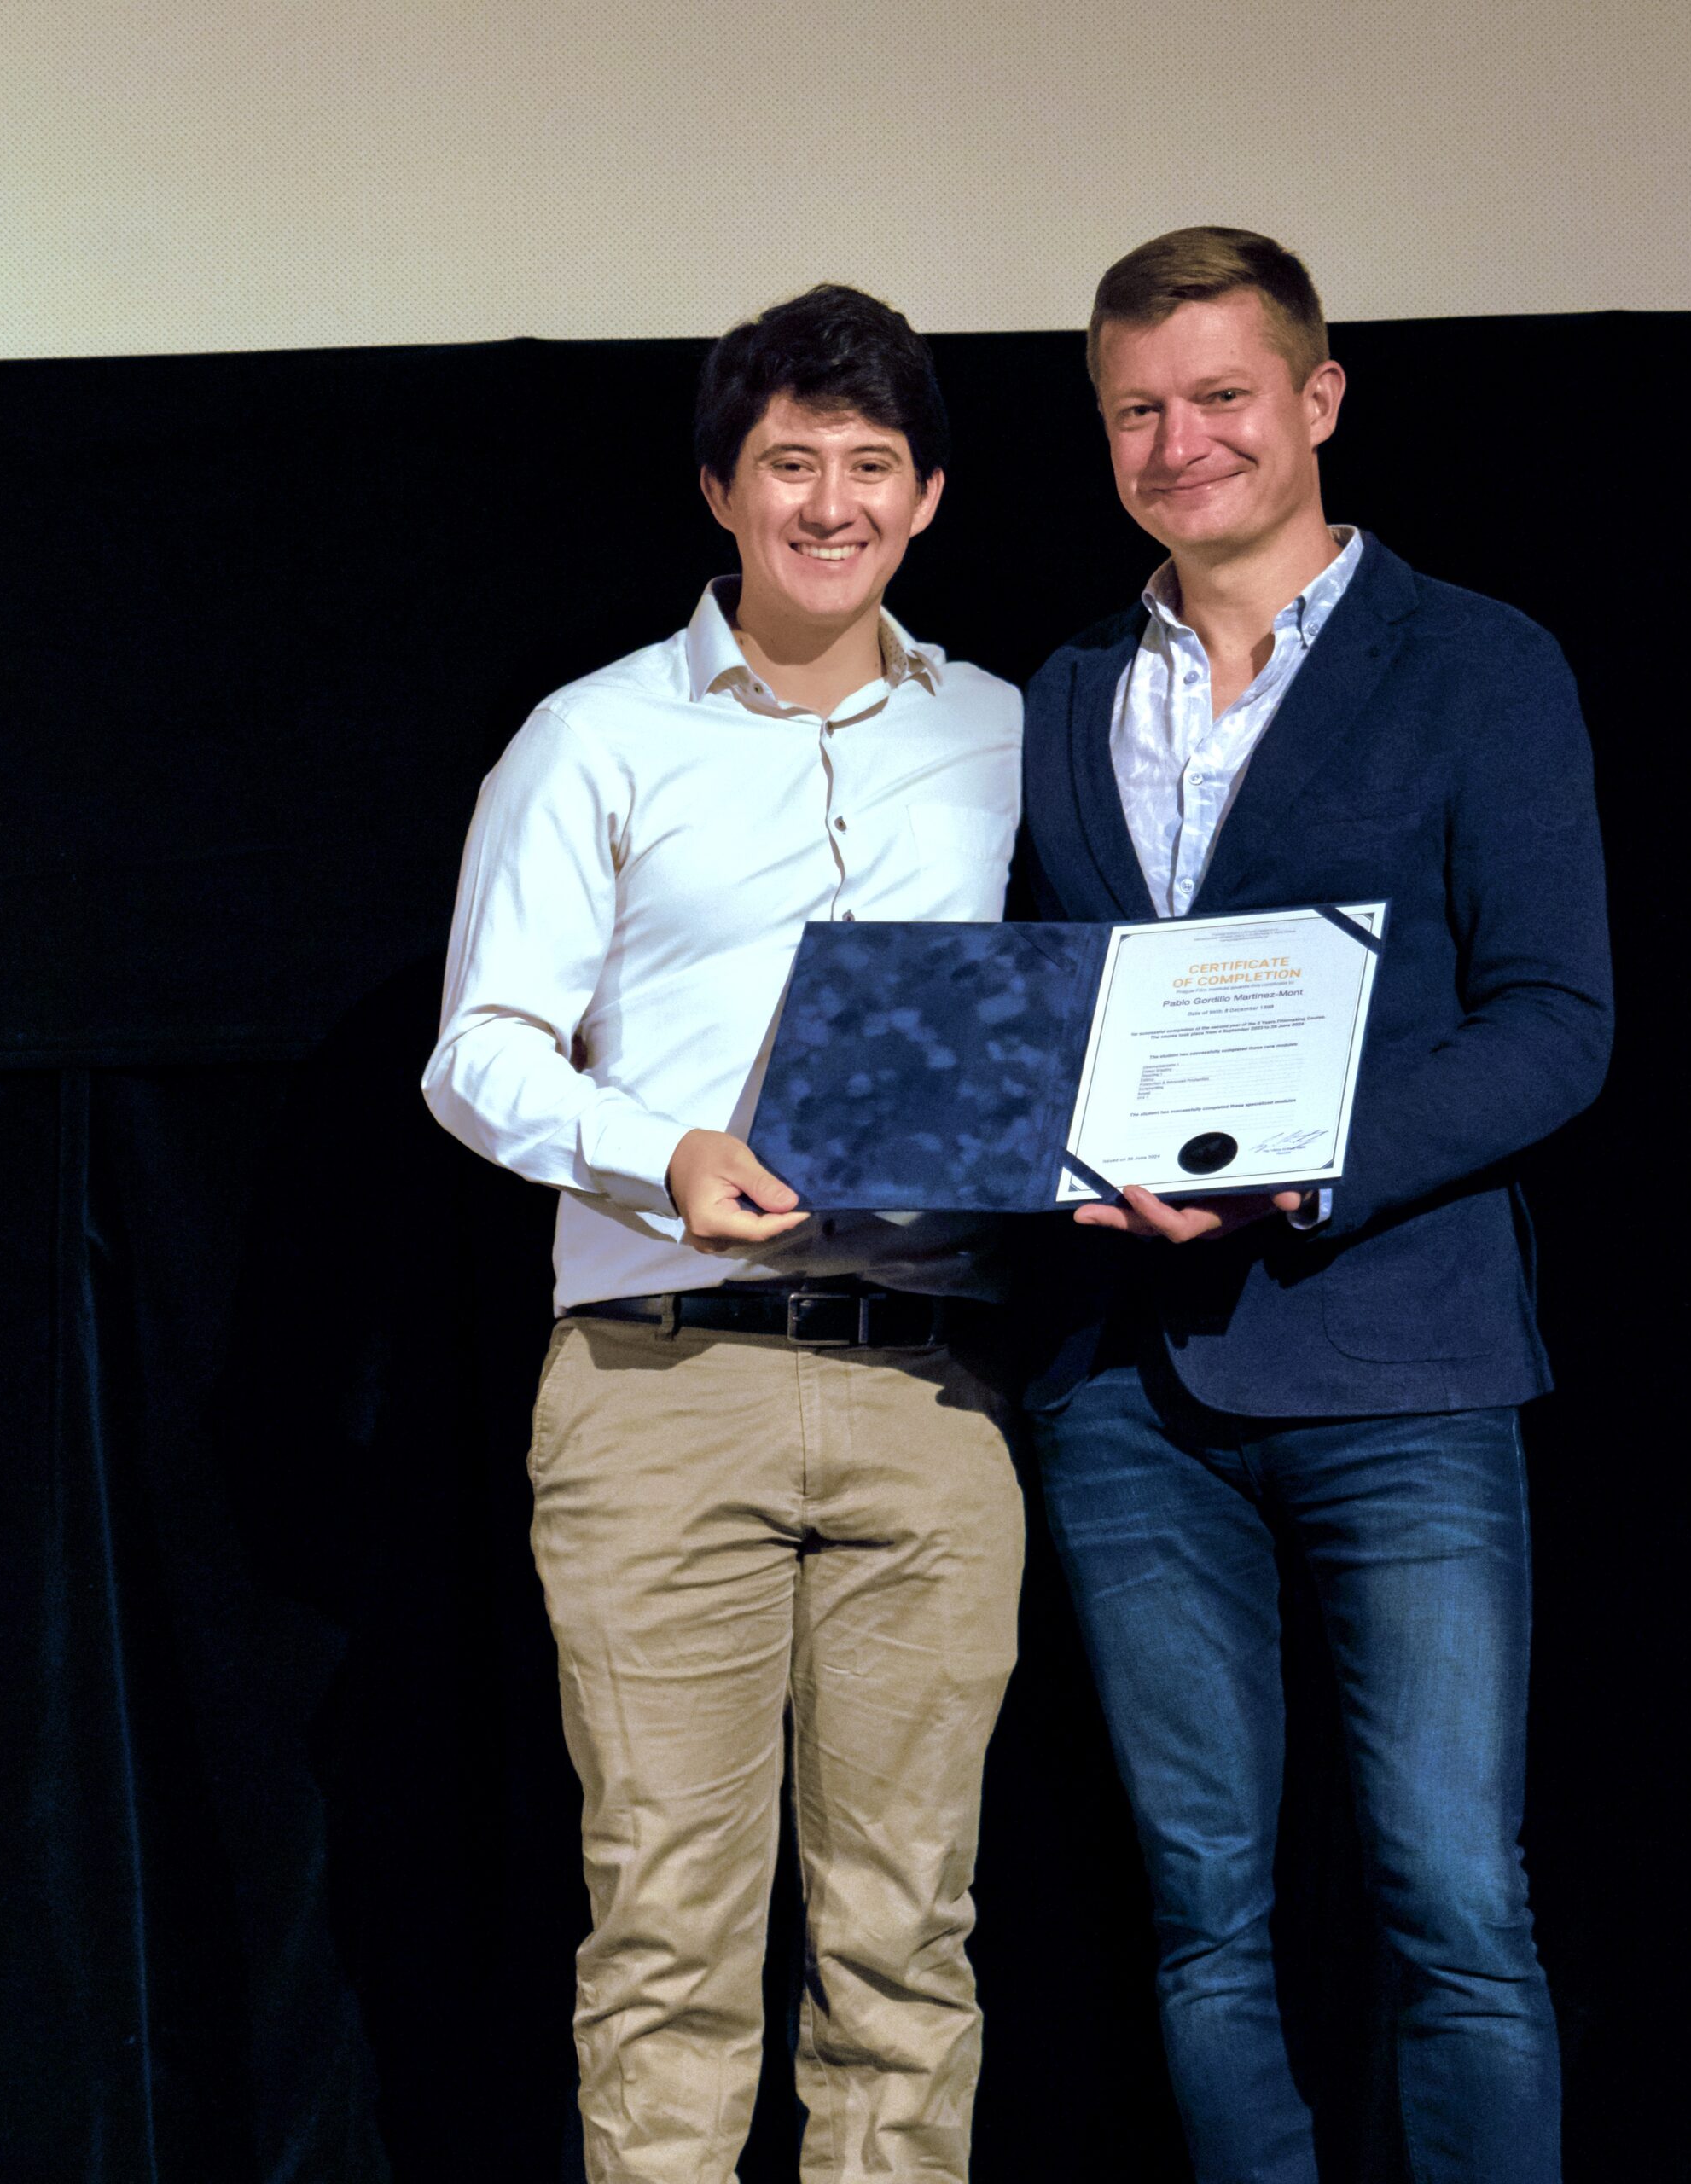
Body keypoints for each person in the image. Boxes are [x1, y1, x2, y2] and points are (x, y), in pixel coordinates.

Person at [1016, 228, 1613, 2184]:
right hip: (1126, 1388)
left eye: (1219, 395)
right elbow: (1049, 1009)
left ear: (1317, 399)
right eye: (1135, 409)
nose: (1178, 442)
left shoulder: (1477, 662)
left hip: (1401, 1363)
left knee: (1453, 1897)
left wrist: (1309, 1165)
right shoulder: (1065, 691)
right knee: (1203, 1912)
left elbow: (1553, 1022)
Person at [422, 284, 1025, 2184]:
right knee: (670, 1942)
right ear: (720, 488)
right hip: (658, 1380)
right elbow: (477, 1051)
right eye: (790, 462)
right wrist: (655, 1150)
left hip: (928, 1390)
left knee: (907, 1944)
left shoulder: (1010, 732)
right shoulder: (593, 736)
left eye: (871, 464)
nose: (830, 503)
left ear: (928, 496)